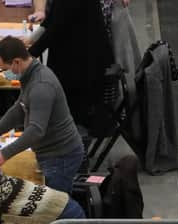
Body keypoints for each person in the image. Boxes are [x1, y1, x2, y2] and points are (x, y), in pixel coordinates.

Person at [0, 36, 85, 195]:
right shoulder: (30, 76)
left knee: (55, 205)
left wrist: (5, 153)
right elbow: (19, 109)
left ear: (16, 62)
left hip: (60, 156)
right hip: (48, 151)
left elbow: (36, 130)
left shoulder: (41, 86)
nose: (5, 74)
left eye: (5, 69)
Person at [25, 0, 114, 137]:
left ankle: (74, 149)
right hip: (76, 54)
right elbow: (54, 17)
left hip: (83, 61)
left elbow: (56, 28)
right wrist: (31, 39)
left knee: (73, 113)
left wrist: (28, 56)